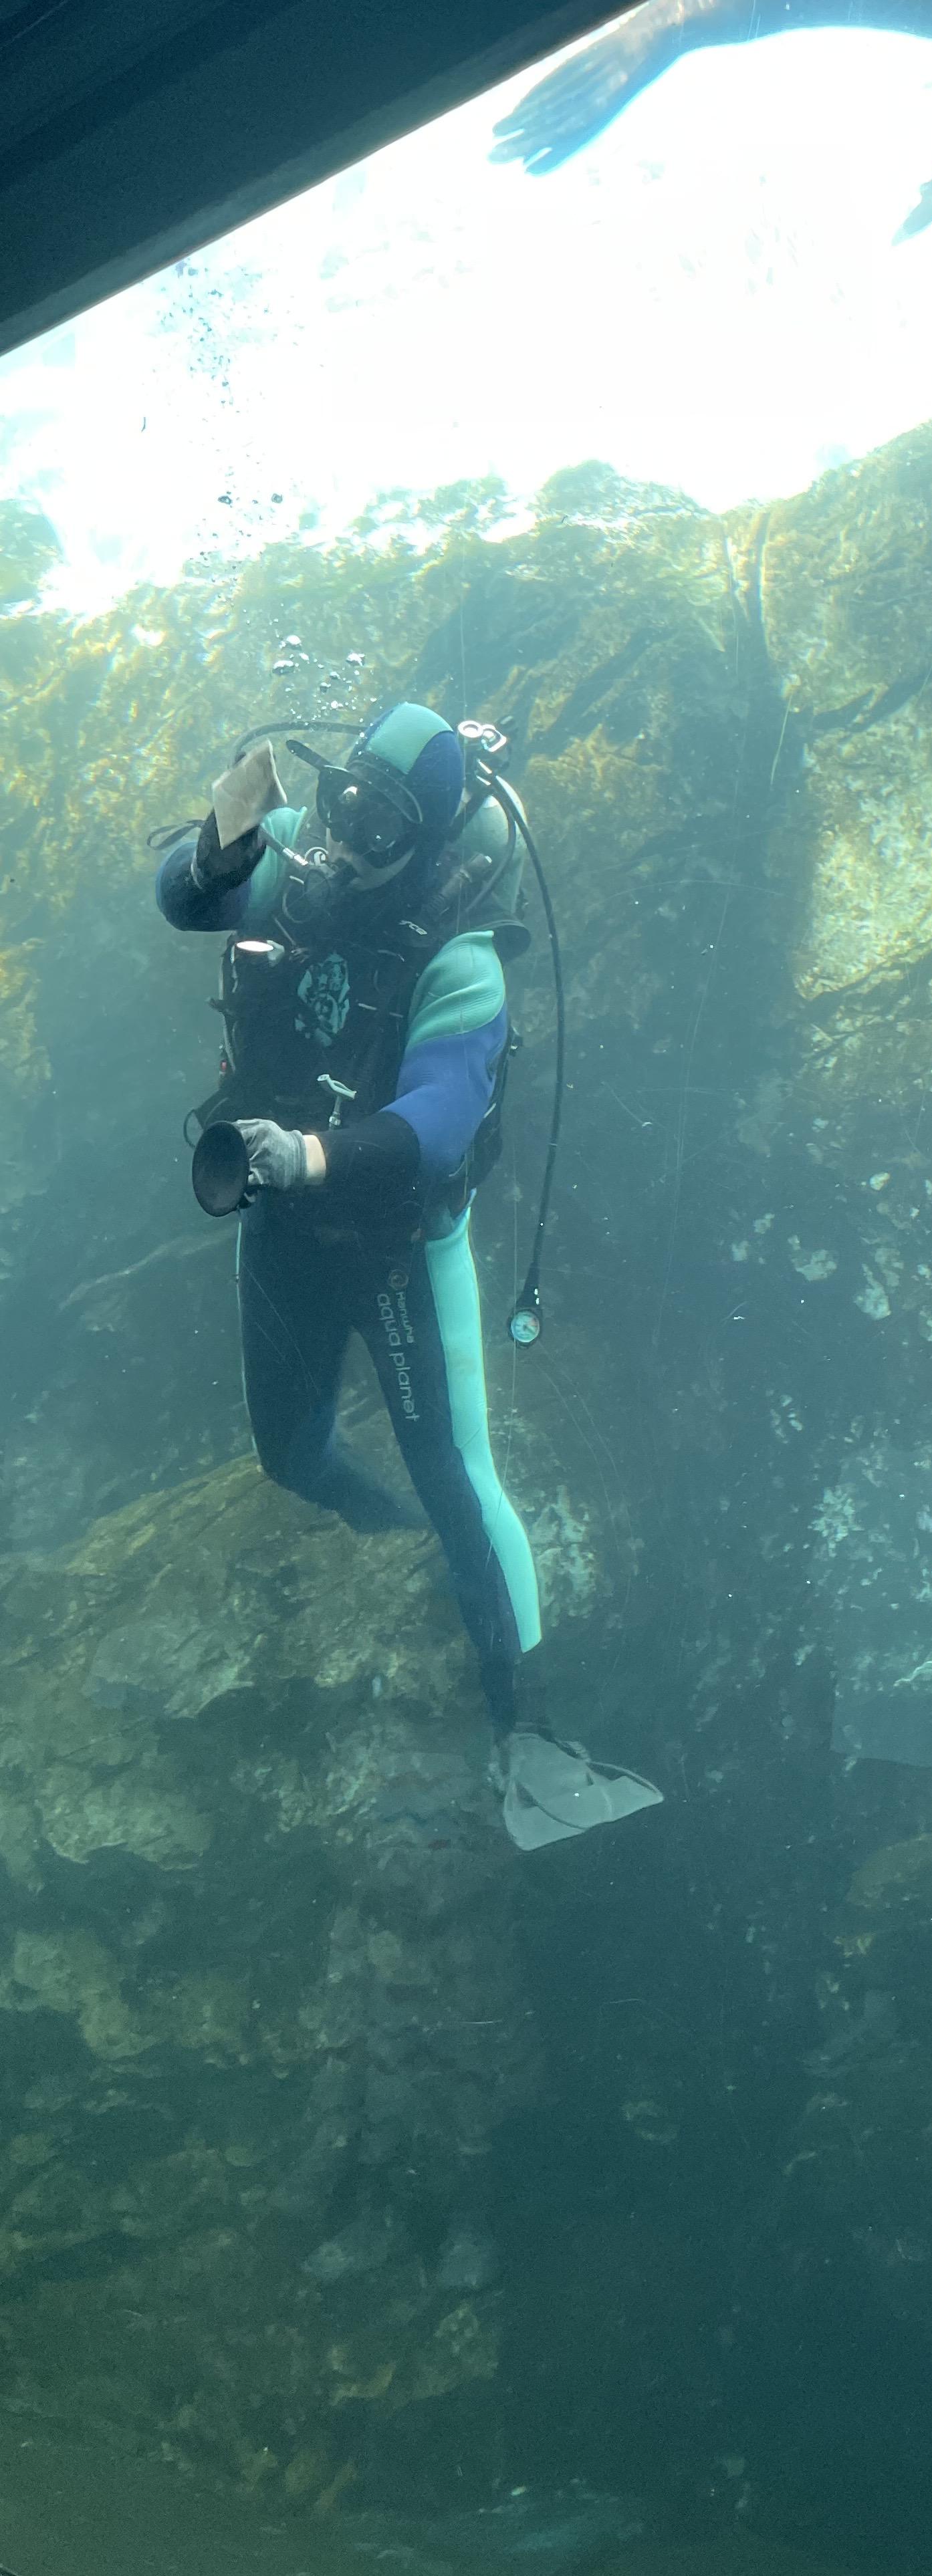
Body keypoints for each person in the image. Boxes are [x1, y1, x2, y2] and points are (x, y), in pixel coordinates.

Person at [156, 702, 660, 1850]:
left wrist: (315, 1156)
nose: (347, 839)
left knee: (459, 1476)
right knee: (290, 1458)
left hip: (395, 1244)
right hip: (280, 1220)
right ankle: (393, 1561)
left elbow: (438, 1120)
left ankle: (528, 1728)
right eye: (343, 806)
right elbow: (182, 900)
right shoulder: (304, 859)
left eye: (381, 823)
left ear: (430, 841)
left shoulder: (466, 954)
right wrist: (211, 856)